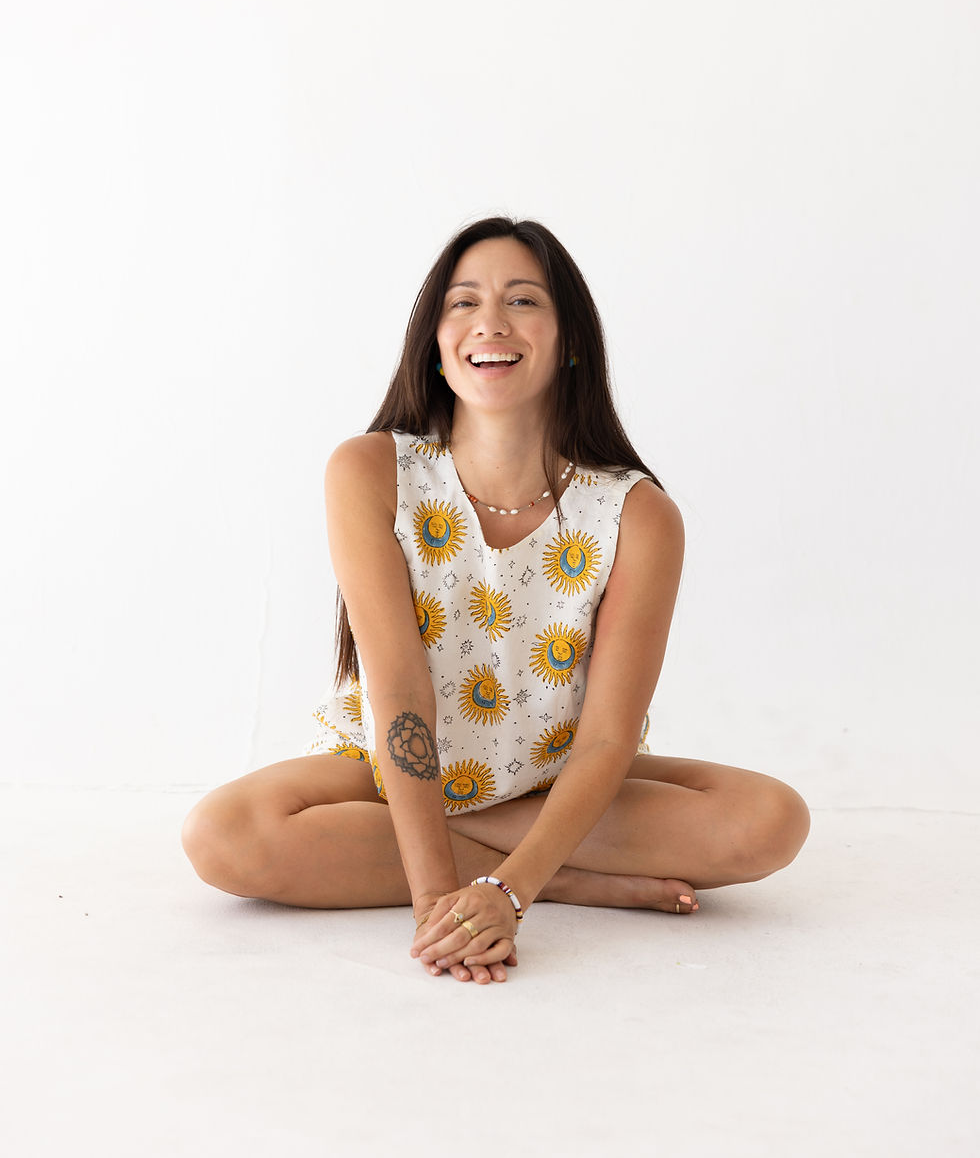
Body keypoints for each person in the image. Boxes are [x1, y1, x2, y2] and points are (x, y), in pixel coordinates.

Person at [182, 216, 810, 984]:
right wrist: (434, 901)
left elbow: (610, 739)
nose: (490, 322)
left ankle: (520, 860)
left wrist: (512, 887)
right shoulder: (370, 471)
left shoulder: (638, 516)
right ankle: (573, 880)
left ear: (570, 338)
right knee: (221, 835)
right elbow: (401, 695)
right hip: (386, 772)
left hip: (558, 780)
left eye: (523, 300)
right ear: (435, 343)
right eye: (463, 302)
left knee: (770, 822)